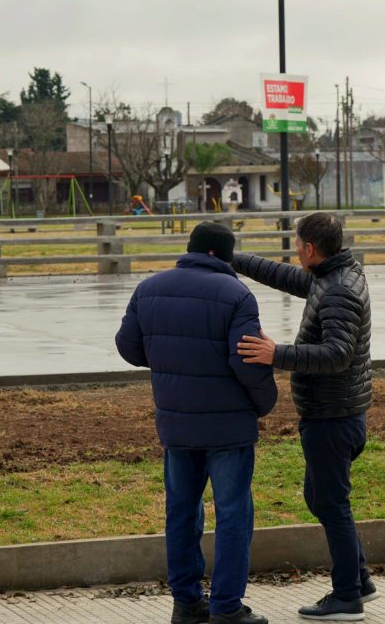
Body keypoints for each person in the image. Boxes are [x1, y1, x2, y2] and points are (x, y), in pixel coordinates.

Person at [116, 221, 277, 624]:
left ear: (192, 249)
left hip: (176, 423)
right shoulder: (238, 295)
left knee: (182, 512)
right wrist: (265, 402)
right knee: (233, 514)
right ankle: (226, 607)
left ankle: (186, 603)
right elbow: (247, 359)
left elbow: (128, 346)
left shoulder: (148, 288)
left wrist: (170, 362)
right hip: (228, 427)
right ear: (222, 255)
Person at [235, 212, 375, 622]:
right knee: (324, 499)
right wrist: (235, 258)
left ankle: (348, 595)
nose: (295, 250)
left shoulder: (337, 292)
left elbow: (337, 354)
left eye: (297, 244)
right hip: (335, 413)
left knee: (330, 503)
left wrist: (276, 354)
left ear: (310, 249)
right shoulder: (333, 275)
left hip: (333, 417)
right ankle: (359, 579)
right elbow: (287, 278)